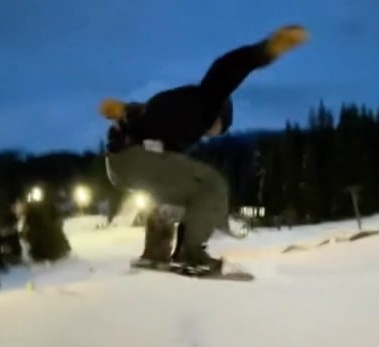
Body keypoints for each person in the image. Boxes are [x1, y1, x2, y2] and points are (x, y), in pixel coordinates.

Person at [100, 23, 309, 273]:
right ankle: (192, 254)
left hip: (120, 163)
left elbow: (144, 113)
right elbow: (227, 67)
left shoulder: (175, 114)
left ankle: (155, 254)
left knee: (174, 196)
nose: (212, 135)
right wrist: (268, 49)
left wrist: (122, 111)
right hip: (136, 158)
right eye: (219, 130)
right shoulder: (207, 102)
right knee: (213, 186)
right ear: (220, 117)